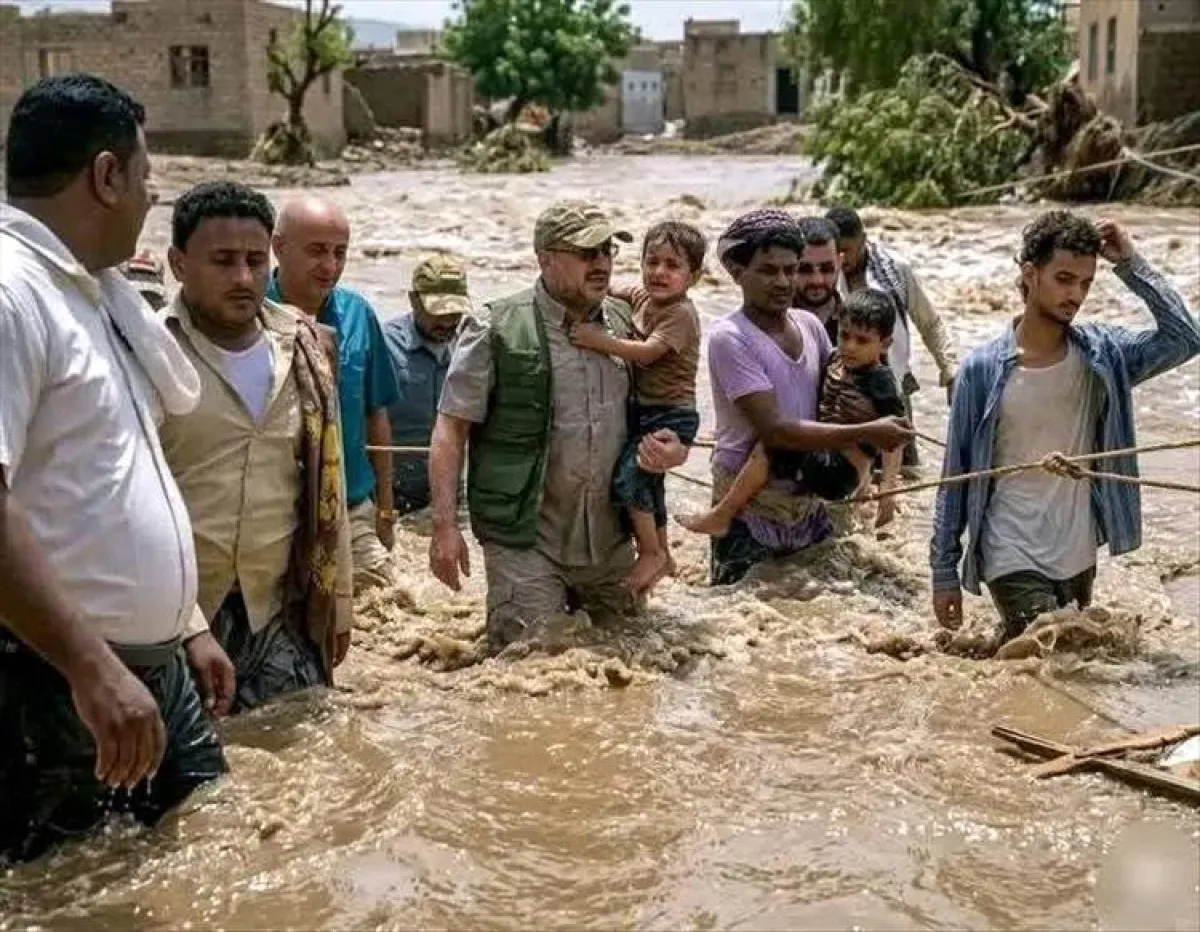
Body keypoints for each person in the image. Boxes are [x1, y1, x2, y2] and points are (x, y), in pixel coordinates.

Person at [0, 74, 229, 863]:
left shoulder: (93, 294)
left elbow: (114, 474)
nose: (146, 197)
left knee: (216, 850)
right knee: (69, 893)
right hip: (56, 683)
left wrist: (186, 623)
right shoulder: (11, 293)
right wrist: (93, 670)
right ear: (106, 175)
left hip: (147, 671)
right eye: (145, 179)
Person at [427, 201, 689, 651]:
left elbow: (665, 409)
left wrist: (676, 450)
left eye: (607, 251)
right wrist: (445, 528)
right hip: (527, 541)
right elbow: (450, 431)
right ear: (545, 258)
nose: (602, 264)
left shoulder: (627, 324)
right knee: (532, 668)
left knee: (631, 666)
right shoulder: (494, 327)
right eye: (587, 253)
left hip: (609, 543)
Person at [931, 212, 1200, 641]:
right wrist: (944, 571)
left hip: (1077, 551)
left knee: (1068, 666)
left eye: (1086, 283)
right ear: (1030, 275)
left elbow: (1186, 337)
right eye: (1063, 279)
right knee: (1049, 652)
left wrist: (1130, 262)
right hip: (1009, 548)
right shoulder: (981, 371)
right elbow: (956, 477)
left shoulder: (1104, 355)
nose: (1075, 294)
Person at [160, 180, 355, 711]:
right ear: (179, 264)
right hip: (175, 615)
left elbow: (325, 485)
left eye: (253, 259)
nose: (244, 277)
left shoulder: (306, 350)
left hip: (279, 610)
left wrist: (338, 604)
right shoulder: (150, 355)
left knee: (302, 771)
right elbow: (124, 502)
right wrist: (186, 626)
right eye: (222, 261)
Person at [699, 209, 913, 586]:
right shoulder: (730, 337)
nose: (783, 282)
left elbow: (832, 395)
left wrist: (864, 411)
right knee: (745, 614)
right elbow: (776, 432)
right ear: (737, 271)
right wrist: (867, 429)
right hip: (752, 507)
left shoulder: (811, 326)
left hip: (812, 501)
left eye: (790, 269)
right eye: (768, 270)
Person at [682, 288, 908, 539]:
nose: (850, 347)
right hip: (823, 459)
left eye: (863, 340)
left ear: (885, 344)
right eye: (845, 336)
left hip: (839, 473)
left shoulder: (880, 380)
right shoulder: (836, 360)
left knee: (770, 446)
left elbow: (896, 435)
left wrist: (888, 489)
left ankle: (722, 515)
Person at [269, 196, 400, 591]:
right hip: (277, 508)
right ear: (278, 247)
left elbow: (376, 413)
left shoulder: (360, 314)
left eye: (339, 253)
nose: (330, 267)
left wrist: (387, 510)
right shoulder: (249, 313)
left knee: (387, 600)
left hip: (351, 504)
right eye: (316, 251)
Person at [568, 220, 706, 592]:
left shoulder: (681, 314)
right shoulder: (645, 297)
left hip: (670, 413)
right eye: (652, 261)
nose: (659, 272)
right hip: (646, 408)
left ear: (693, 276)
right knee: (651, 486)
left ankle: (650, 552)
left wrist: (597, 340)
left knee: (629, 480)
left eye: (673, 266)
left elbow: (647, 353)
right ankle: (662, 550)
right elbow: (608, 288)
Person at [827, 205, 960, 476]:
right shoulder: (820, 274)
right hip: (842, 390)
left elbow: (930, 323)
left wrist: (949, 370)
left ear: (863, 240)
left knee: (906, 474)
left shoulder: (895, 270)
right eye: (835, 251)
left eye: (847, 250)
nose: (841, 259)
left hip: (892, 386)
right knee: (848, 475)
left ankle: (905, 518)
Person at [383, 252, 471, 515]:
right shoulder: (385, 346)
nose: (447, 321)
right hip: (393, 498)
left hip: (451, 497)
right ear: (413, 300)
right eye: (438, 312)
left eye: (454, 311)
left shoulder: (470, 347)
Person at [792, 215, 844, 345]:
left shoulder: (859, 323)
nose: (817, 280)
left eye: (826, 269)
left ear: (839, 262)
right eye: (805, 269)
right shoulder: (770, 324)